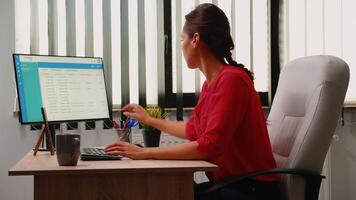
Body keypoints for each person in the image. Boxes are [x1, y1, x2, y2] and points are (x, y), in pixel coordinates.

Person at [105, 3, 279, 200]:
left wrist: (145, 153)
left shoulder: (232, 80)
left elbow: (208, 147)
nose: (181, 45)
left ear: (195, 39)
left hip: (250, 190)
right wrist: (148, 119)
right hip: (233, 185)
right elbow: (193, 130)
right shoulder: (211, 84)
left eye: (181, 39)